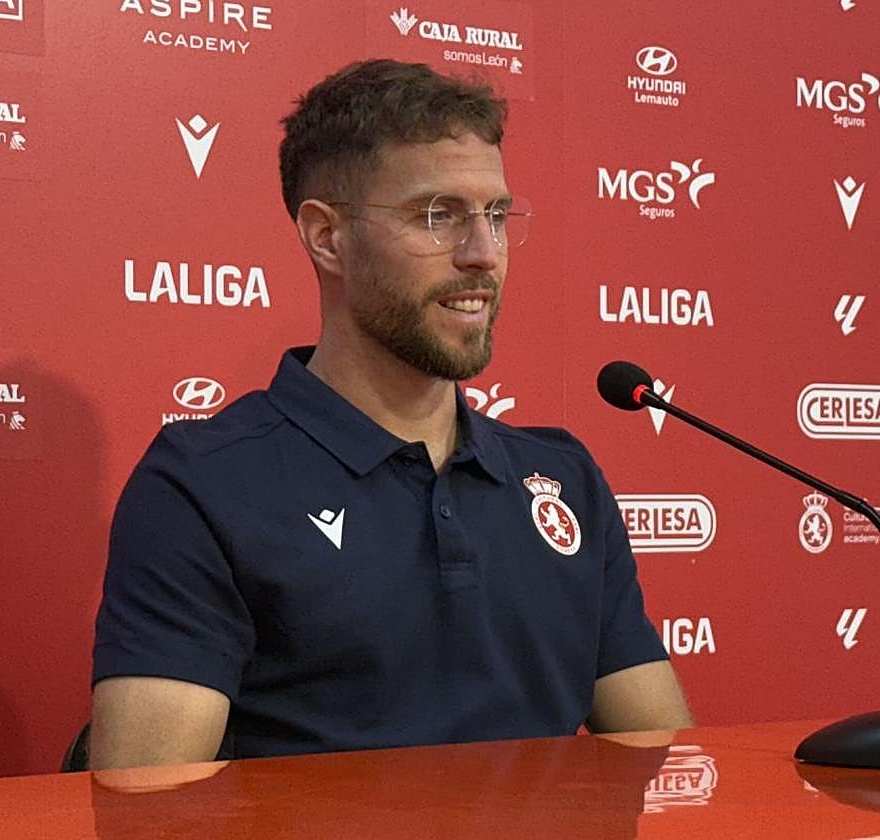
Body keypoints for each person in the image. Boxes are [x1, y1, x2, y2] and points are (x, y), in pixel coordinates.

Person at [90, 58, 691, 770]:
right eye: (438, 216)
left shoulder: (564, 478)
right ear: (326, 236)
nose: (483, 255)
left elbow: (670, 766)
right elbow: (151, 811)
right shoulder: (204, 484)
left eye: (496, 216)